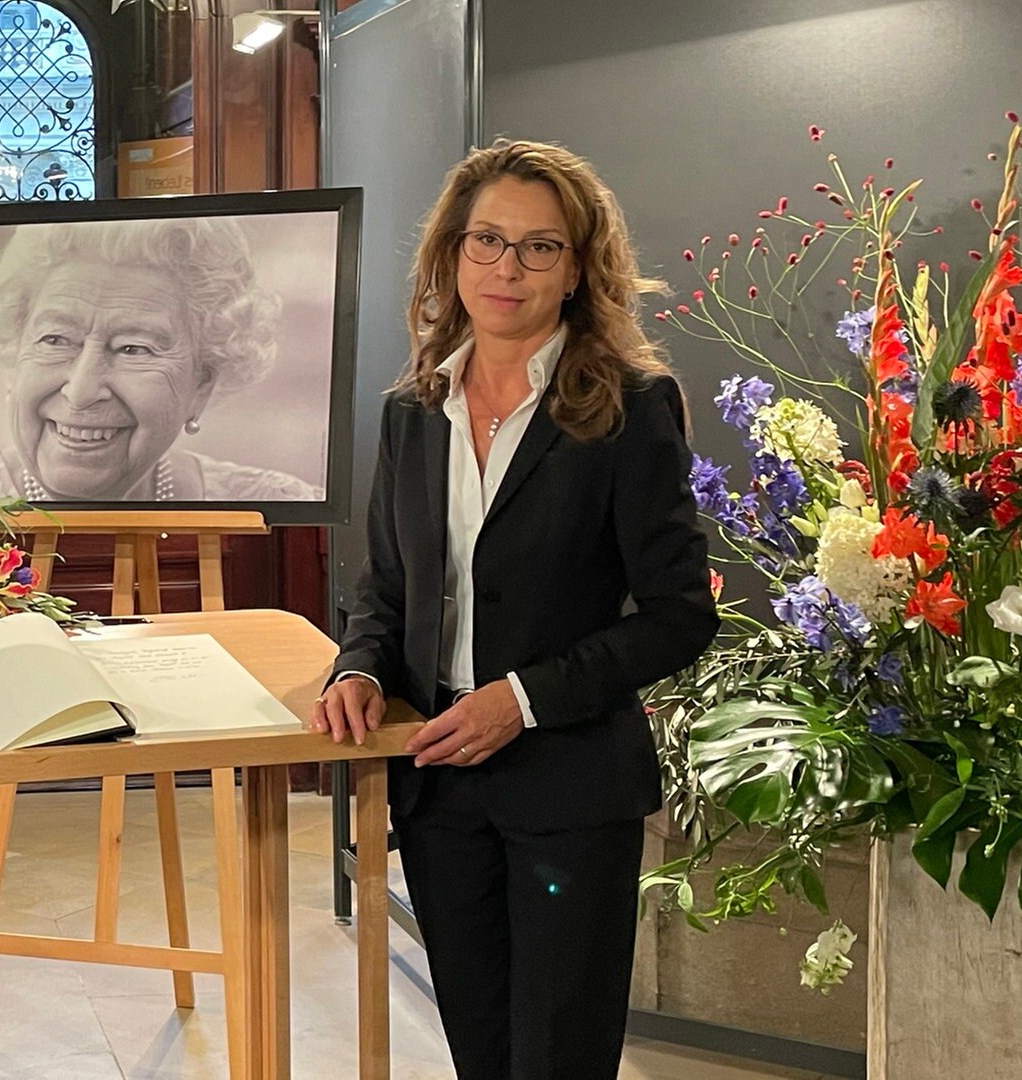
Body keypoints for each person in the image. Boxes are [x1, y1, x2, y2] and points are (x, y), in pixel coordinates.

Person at [312, 139, 719, 1079]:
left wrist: (522, 699)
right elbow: (385, 585)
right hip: (439, 786)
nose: (508, 267)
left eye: (540, 248)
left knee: (558, 1059)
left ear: (578, 270)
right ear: (451, 253)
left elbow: (678, 614)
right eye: (487, 240)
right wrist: (360, 665)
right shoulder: (414, 407)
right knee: (483, 1053)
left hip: (569, 788)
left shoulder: (628, 406)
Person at [0, 216, 322, 502]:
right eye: (55, 339)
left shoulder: (278, 503)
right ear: (13, 359)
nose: (82, 392)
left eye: (134, 348)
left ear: (201, 383)